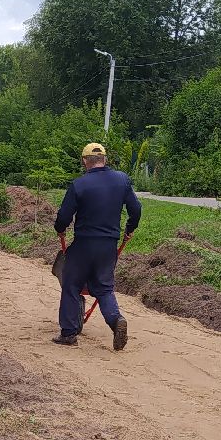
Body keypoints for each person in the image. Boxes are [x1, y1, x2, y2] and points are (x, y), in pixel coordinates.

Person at [53, 142, 141, 350]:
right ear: (105, 160)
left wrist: (60, 228)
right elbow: (135, 209)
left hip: (84, 243)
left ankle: (69, 333)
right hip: (108, 245)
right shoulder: (122, 180)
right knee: (104, 288)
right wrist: (130, 228)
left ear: (85, 161)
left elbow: (64, 215)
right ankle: (115, 320)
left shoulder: (79, 184)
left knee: (71, 285)